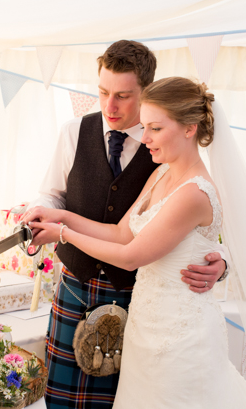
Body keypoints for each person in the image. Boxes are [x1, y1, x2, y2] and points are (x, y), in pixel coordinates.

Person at [25, 77, 246, 409]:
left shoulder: (194, 192)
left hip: (180, 339)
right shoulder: (162, 172)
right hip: (145, 331)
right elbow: (121, 232)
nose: (145, 137)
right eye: (145, 127)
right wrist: (60, 217)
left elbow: (129, 256)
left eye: (155, 129)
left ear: (189, 128)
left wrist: (62, 235)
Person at [26, 41, 228, 409]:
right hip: (77, 289)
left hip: (141, 302)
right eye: (102, 92)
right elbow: (54, 197)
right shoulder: (74, 132)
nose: (109, 106)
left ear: (145, 92)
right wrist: (48, 214)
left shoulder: (166, 149)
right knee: (62, 402)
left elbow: (209, 227)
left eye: (123, 95)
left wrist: (222, 263)